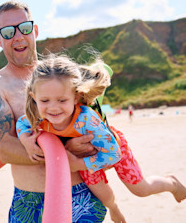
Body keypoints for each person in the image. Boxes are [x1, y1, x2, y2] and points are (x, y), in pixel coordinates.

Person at [16, 54, 186, 222]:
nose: (53, 108)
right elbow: (21, 124)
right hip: (86, 157)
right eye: (45, 100)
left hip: (112, 147)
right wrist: (26, 141)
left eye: (62, 100)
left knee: (140, 189)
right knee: (103, 195)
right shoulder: (37, 117)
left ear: (75, 97)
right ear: (34, 98)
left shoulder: (87, 120)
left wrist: (78, 164)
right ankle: (114, 209)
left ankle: (172, 183)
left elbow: (114, 155)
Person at [0, 1, 107, 222]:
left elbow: (96, 126)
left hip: (79, 195)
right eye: (9, 32)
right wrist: (64, 152)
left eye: (25, 28)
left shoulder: (62, 75)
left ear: (35, 30)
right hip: (29, 202)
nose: (19, 36)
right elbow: (4, 149)